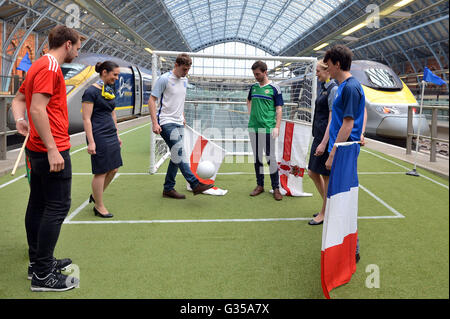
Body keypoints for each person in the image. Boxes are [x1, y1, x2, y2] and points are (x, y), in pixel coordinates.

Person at [11, 25, 82, 291]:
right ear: (67, 45)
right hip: (50, 148)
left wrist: (19, 120)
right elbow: (38, 109)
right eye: (77, 47)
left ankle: (38, 263)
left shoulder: (38, 65)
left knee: (39, 205)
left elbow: (20, 101)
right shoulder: (50, 67)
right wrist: (53, 148)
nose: (77, 51)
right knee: (57, 206)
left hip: (37, 148)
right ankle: (42, 275)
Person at [323, 44, 367, 263]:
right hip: (347, 147)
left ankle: (352, 249)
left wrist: (332, 154)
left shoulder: (349, 87)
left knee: (343, 198)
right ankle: (347, 246)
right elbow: (363, 111)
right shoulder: (348, 86)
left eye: (329, 64)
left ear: (337, 64)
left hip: (344, 149)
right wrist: (362, 133)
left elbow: (348, 124)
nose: (327, 68)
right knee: (340, 196)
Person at [148, 53, 213, 199]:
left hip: (179, 122)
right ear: (176, 65)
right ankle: (195, 184)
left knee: (175, 157)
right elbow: (152, 100)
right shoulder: (164, 79)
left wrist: (182, 115)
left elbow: (179, 100)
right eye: (184, 69)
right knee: (179, 152)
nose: (186, 72)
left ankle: (168, 188)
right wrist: (154, 123)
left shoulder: (184, 80)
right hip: (165, 122)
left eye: (188, 70)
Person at [81, 61, 122, 218]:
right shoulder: (90, 92)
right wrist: (91, 141)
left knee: (114, 169)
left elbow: (112, 113)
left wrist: (117, 134)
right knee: (101, 171)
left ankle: (95, 195)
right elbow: (86, 118)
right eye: (115, 74)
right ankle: (99, 206)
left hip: (110, 134)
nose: (116, 78)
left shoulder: (109, 89)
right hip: (98, 135)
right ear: (104, 72)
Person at [247, 60, 283, 201]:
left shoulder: (274, 88)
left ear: (265, 72)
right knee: (257, 158)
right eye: (254, 74)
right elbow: (248, 101)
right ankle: (259, 185)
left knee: (270, 158)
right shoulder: (254, 88)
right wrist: (251, 115)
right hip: (253, 128)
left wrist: (277, 127)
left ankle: (276, 188)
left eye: (258, 74)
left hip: (268, 128)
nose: (256, 76)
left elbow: (279, 109)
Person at [308, 60, 338, 225]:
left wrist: (324, 143)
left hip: (324, 139)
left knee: (325, 177)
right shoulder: (325, 88)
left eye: (318, 71)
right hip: (318, 137)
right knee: (312, 172)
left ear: (327, 71)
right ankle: (328, 206)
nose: (317, 74)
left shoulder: (333, 90)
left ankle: (325, 212)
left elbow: (332, 120)